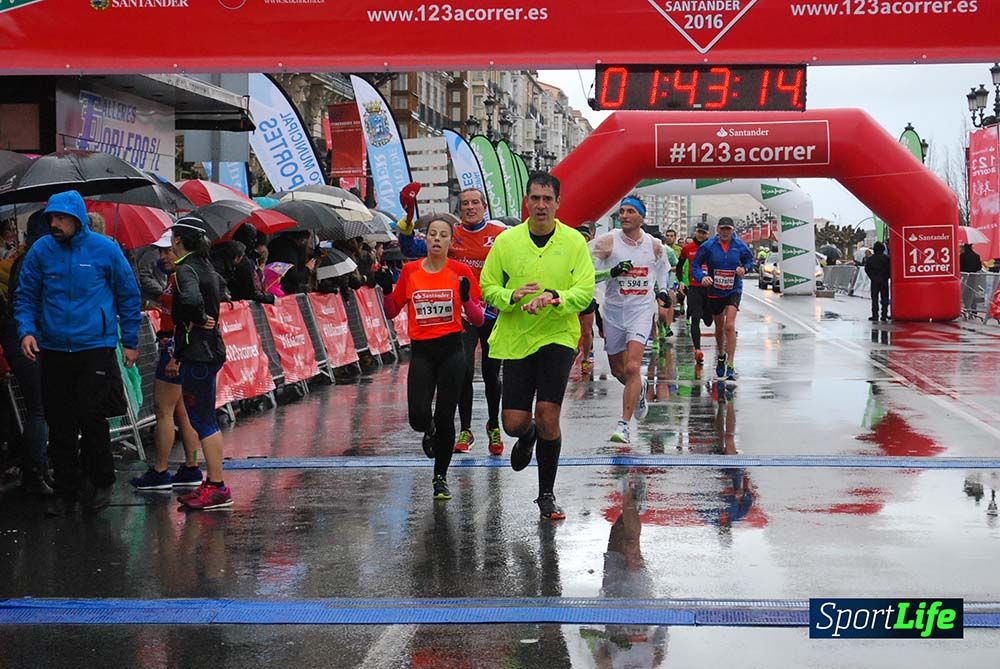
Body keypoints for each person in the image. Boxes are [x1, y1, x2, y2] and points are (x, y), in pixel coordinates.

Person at [13, 190, 142, 516]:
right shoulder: (41, 250)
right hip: (53, 348)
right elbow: (26, 294)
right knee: (59, 422)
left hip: (94, 347)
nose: (53, 223)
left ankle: (101, 480)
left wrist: (130, 340)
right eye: (50, 218)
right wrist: (26, 330)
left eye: (60, 217)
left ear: (77, 218)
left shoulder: (105, 249)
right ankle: (68, 488)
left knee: (91, 415)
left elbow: (128, 294)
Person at [480, 172, 595, 520]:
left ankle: (546, 495)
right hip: (517, 338)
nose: (541, 205)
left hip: (557, 336)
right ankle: (527, 435)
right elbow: (487, 287)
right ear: (526, 202)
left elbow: (585, 290)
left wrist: (555, 297)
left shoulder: (574, 241)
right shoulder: (507, 242)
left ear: (558, 203)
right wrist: (510, 295)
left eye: (548, 199)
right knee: (513, 423)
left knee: (548, 415)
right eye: (535, 199)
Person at [379, 212, 484, 500]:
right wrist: (386, 289)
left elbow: (477, 319)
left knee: (446, 414)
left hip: (452, 350)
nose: (437, 239)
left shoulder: (461, 271)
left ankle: (440, 477)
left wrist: (464, 299)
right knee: (418, 417)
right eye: (432, 234)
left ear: (451, 241)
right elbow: (391, 311)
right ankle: (430, 429)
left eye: (443, 235)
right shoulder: (411, 271)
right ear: (424, 240)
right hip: (422, 352)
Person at [397, 188, 508, 456]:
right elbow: (410, 247)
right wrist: (408, 219)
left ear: (484, 206)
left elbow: (515, 267)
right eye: (465, 204)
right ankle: (466, 429)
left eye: (475, 203)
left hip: (492, 313)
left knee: (492, 373)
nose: (470, 208)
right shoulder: (449, 233)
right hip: (463, 313)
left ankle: (493, 425)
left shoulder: (500, 235)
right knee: (465, 371)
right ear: (459, 209)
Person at [590, 195, 670, 444]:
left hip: (641, 312)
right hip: (613, 313)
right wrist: (611, 272)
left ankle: (623, 425)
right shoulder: (607, 242)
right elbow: (588, 275)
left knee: (633, 367)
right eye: (622, 211)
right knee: (619, 370)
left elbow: (662, 270)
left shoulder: (655, 245)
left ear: (641, 217)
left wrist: (663, 291)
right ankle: (640, 389)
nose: (624, 215)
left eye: (630, 212)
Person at [129, 231, 204, 491]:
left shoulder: (184, 278)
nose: (162, 256)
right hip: (176, 347)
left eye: (166, 250)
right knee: (182, 412)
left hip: (174, 347)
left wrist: (175, 355)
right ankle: (191, 466)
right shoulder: (181, 276)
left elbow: (192, 315)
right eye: (160, 251)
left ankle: (160, 470)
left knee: (164, 411)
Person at [170, 221, 232, 510]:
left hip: (198, 352)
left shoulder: (185, 268)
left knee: (203, 419)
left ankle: (217, 485)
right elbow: (223, 292)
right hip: (208, 349)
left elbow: (192, 298)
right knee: (202, 416)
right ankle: (212, 482)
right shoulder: (206, 265)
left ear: (179, 239)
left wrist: (193, 315)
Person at [691, 217, 754, 381]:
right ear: (718, 230)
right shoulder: (708, 246)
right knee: (719, 327)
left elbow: (749, 260)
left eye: (729, 229)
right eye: (723, 229)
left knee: (729, 325)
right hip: (715, 290)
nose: (726, 232)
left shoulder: (739, 246)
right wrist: (701, 278)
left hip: (733, 289)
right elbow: (695, 265)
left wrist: (744, 269)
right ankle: (721, 355)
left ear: (733, 230)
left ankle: (731, 365)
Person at [675, 222, 714, 366]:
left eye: (704, 233)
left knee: (709, 321)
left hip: (709, 288)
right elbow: (679, 266)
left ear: (707, 234)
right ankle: (697, 350)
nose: (701, 235)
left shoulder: (711, 247)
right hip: (694, 288)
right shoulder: (687, 248)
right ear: (695, 232)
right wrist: (680, 281)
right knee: (695, 318)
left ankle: (706, 313)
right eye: (699, 232)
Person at [576, 221, 599, 379]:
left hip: (589, 297)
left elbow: (598, 275)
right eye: (580, 236)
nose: (583, 239)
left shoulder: (594, 254)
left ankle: (586, 356)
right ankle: (573, 352)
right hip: (572, 297)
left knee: (587, 330)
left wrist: (612, 272)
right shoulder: (570, 252)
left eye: (586, 236)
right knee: (572, 328)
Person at [865, 241, 891, 322]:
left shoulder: (870, 259)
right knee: (885, 298)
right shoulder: (887, 258)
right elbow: (891, 269)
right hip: (884, 280)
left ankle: (875, 315)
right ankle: (884, 315)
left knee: (874, 298)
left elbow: (867, 269)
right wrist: (887, 276)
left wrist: (872, 277)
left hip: (874, 281)